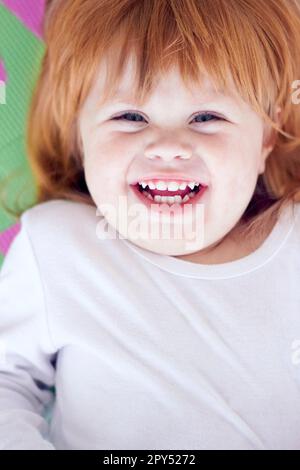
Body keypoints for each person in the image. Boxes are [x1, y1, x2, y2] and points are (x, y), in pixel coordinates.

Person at [0, 0, 300, 450]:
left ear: (266, 136)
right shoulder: (58, 246)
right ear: (79, 133)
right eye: (129, 117)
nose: (168, 147)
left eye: (206, 117)